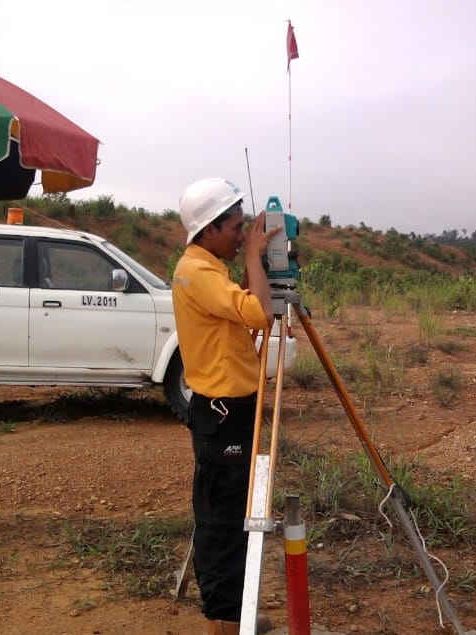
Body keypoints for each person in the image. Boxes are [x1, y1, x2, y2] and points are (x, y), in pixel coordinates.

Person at [172, 178, 282, 635]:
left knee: (233, 512)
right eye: (237, 228)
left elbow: (239, 308)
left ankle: (235, 613)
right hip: (222, 411)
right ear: (208, 229)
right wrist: (257, 257)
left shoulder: (207, 268)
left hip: (231, 407)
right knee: (222, 522)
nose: (242, 236)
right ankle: (224, 621)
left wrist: (249, 265)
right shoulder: (197, 272)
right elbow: (259, 313)